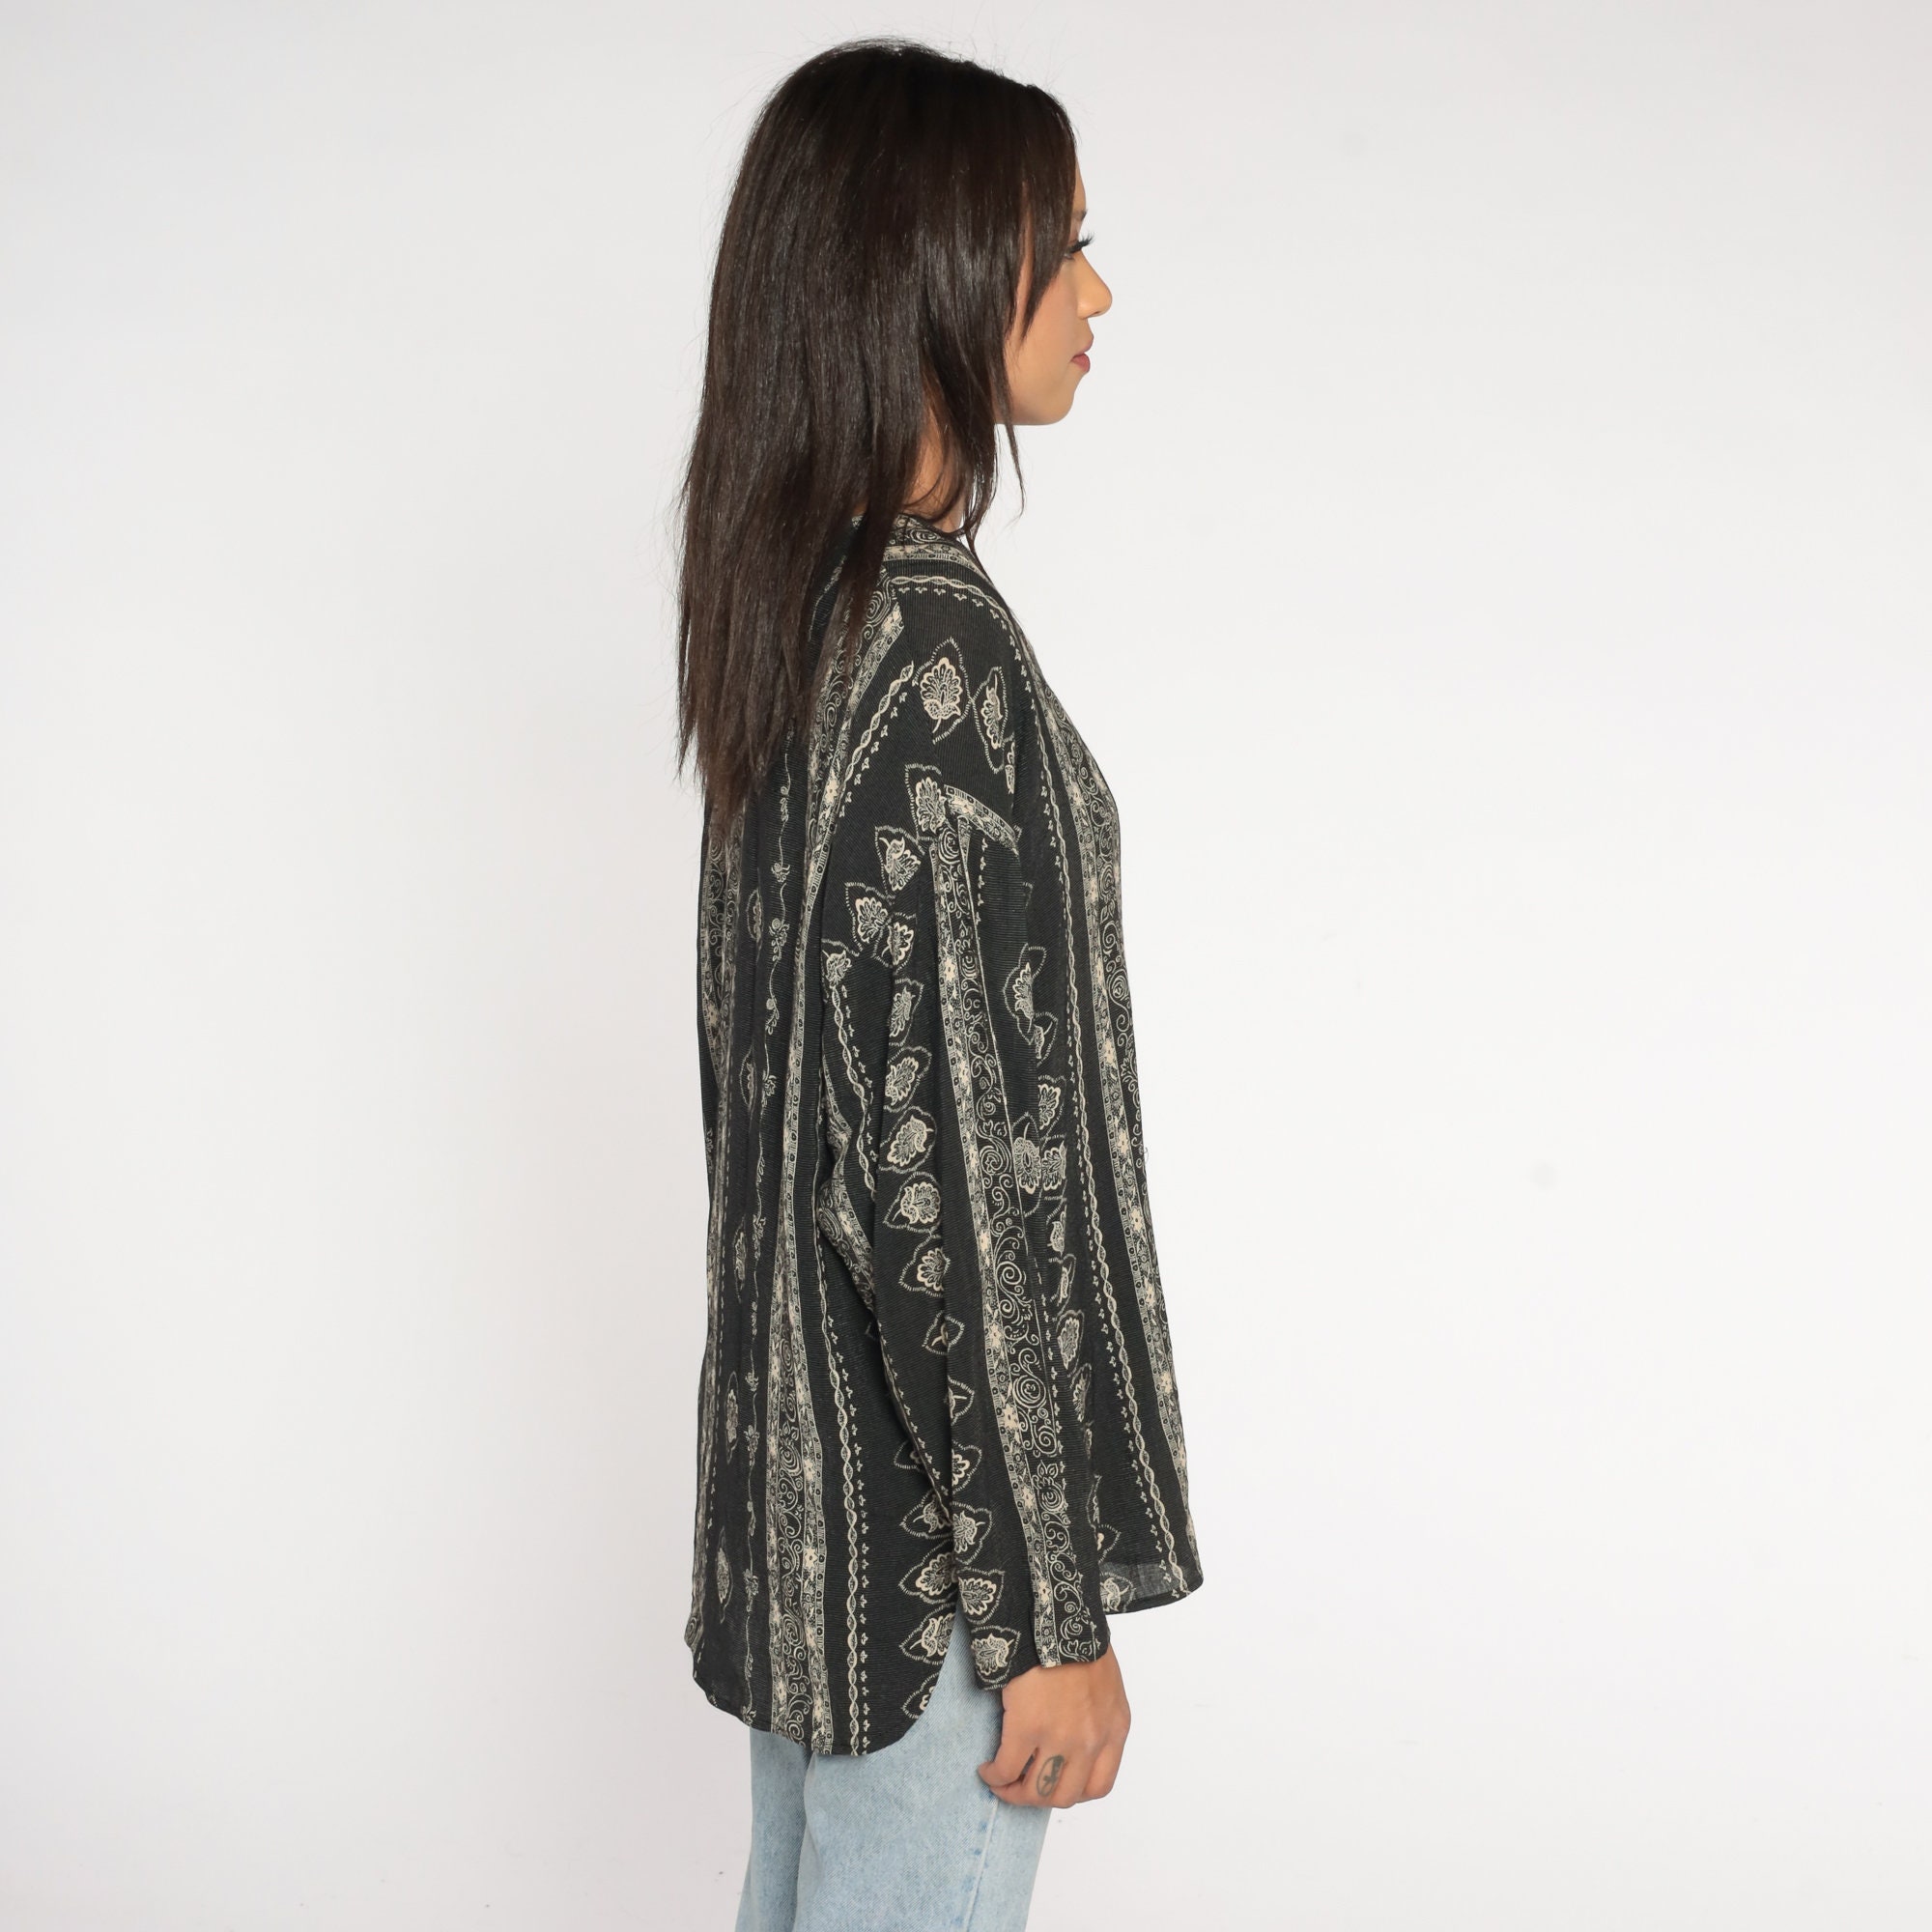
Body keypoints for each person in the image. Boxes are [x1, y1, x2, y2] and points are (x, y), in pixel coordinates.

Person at [673, 39, 1204, 1932]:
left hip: (823, 1549)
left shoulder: (806, 627)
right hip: (938, 1592)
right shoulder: (931, 660)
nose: (1097, 295)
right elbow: (947, 1183)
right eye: (1066, 246)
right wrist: (1045, 1619)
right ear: (937, 267)